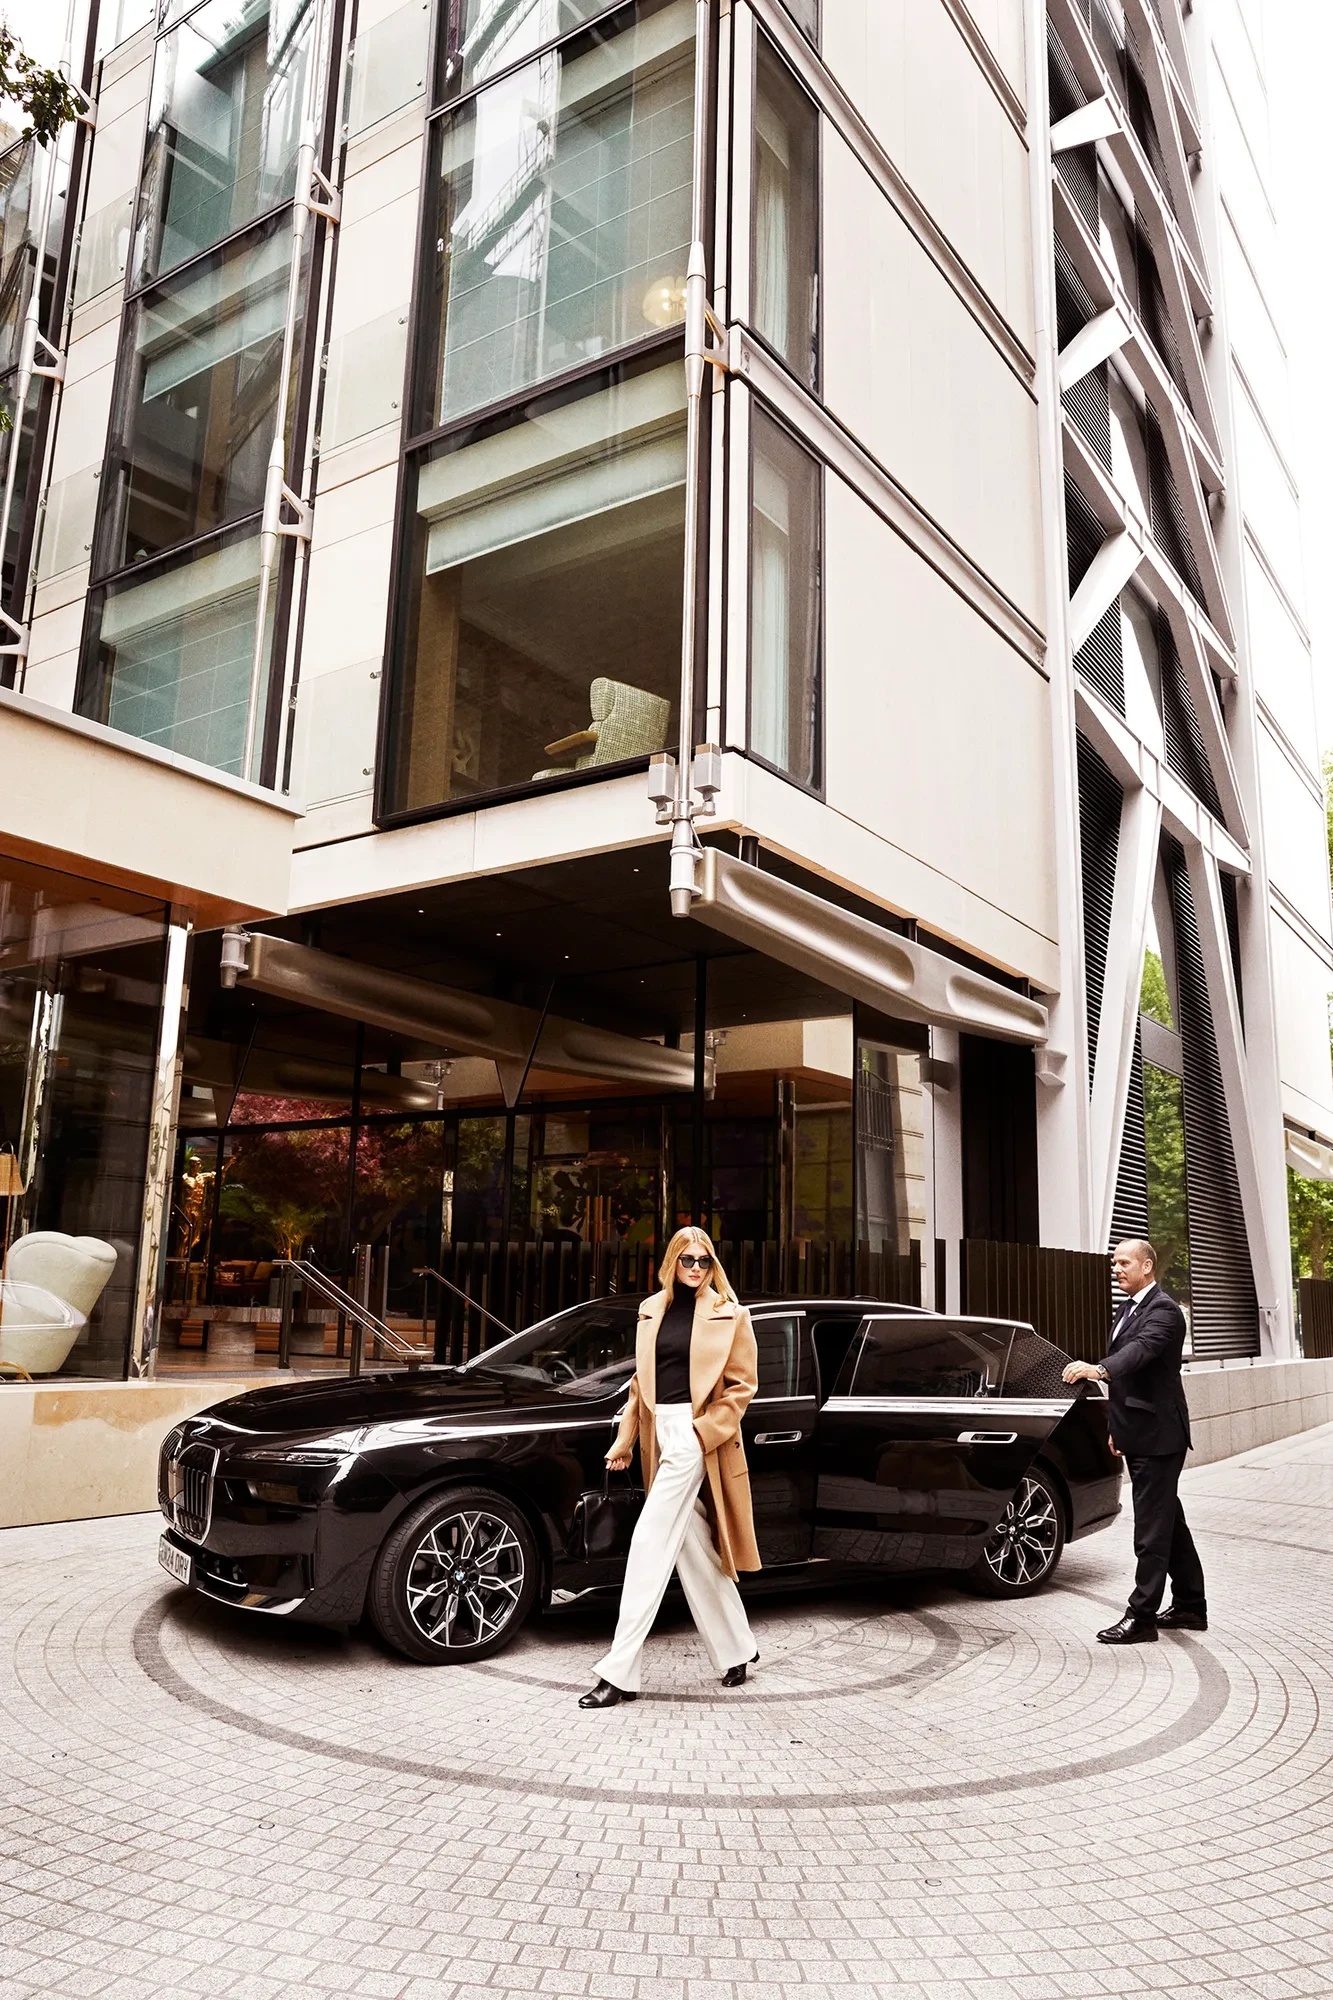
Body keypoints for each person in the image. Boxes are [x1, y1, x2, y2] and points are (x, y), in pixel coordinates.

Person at [579, 1226, 761, 1708]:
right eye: (688, 1260)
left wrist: (702, 1435)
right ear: (672, 1263)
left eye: (704, 1260)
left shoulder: (730, 1315)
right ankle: (738, 1647)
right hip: (660, 1437)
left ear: (712, 1265)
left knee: (649, 1543)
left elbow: (742, 1387)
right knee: (691, 1546)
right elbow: (643, 1385)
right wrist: (626, 1439)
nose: (696, 1268)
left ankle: (619, 1671)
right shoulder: (652, 1311)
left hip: (695, 1437)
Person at [1063, 1237, 1207, 1644]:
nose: (1116, 1269)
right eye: (1114, 1263)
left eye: (1124, 1262)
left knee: (1151, 1529)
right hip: (1140, 1432)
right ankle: (1192, 1606)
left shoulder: (1164, 1312)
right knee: (1168, 1522)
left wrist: (1097, 1369)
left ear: (1147, 1266)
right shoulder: (1128, 1309)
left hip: (1161, 1436)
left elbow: (1139, 1354)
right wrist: (1117, 1427)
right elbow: (1131, 1381)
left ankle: (1141, 1616)